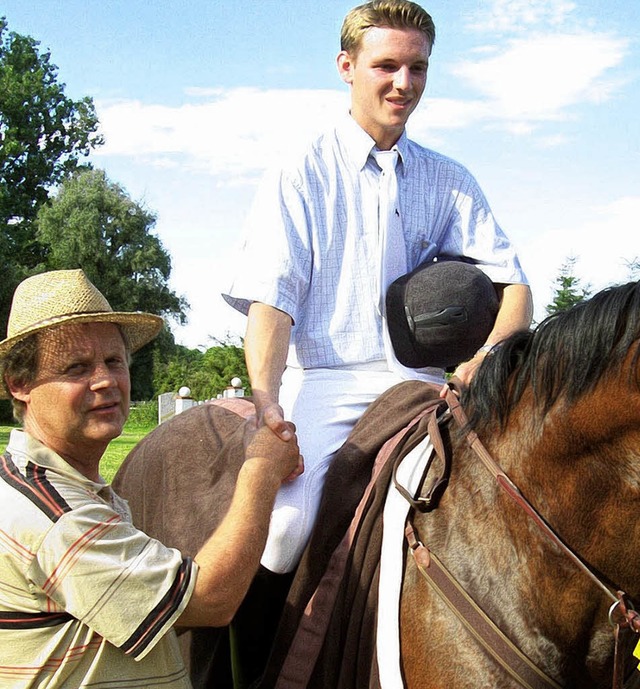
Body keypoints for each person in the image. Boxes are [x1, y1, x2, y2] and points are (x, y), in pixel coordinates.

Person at [223, 0, 533, 576]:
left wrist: (485, 359)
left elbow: (514, 288)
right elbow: (272, 302)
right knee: (282, 536)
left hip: (422, 385)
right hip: (327, 382)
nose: (403, 83)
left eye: (417, 69)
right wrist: (267, 402)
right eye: (386, 66)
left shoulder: (449, 179)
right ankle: (244, 665)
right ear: (346, 66)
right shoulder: (300, 170)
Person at [0, 269, 302, 688]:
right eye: (76, 368)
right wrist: (261, 468)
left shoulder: (62, 488)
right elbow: (210, 601)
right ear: (20, 384)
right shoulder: (56, 516)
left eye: (113, 361)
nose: (105, 380)